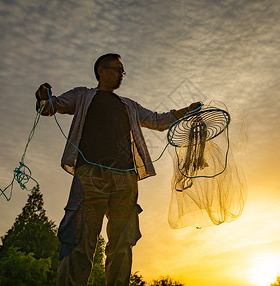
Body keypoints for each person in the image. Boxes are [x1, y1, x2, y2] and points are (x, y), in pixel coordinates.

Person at [35, 53, 201, 286]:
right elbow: (50, 106)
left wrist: (184, 111)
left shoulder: (129, 105)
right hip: (89, 176)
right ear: (101, 71)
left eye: (123, 72)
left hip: (125, 179)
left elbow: (157, 120)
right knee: (79, 240)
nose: (121, 75)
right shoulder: (82, 95)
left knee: (122, 245)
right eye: (116, 70)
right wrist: (43, 97)